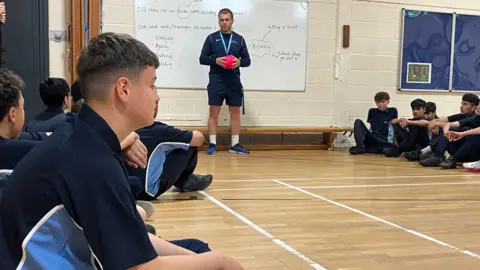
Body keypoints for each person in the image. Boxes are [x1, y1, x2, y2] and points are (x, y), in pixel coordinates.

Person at [0, 33, 243, 269]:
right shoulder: (91, 161)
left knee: (197, 250)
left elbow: (132, 243)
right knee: (210, 260)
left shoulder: (82, 138)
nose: (157, 95)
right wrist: (221, 262)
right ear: (123, 89)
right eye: (152, 85)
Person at [128, 99, 213, 200]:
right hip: (147, 192)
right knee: (187, 145)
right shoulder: (158, 130)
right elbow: (199, 139)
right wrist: (181, 133)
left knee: (167, 146)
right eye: (156, 102)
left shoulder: (122, 126)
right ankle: (185, 180)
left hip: (125, 187)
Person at [199, 8, 251, 155]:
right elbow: (202, 59)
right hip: (216, 80)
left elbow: (247, 60)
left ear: (232, 21)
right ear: (218, 21)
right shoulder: (211, 38)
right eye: (221, 20)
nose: (224, 23)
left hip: (233, 80)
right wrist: (214, 60)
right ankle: (212, 144)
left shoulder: (239, 39)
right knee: (213, 112)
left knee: (235, 112)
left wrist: (239, 62)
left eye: (227, 20)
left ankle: (234, 144)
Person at [419, 93, 479, 167]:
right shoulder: (464, 115)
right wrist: (435, 121)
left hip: (473, 152)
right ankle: (436, 154)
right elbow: (446, 120)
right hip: (462, 150)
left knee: (466, 133)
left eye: (465, 104)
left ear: (473, 107)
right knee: (446, 128)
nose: (461, 106)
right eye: (462, 103)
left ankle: (438, 155)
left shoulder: (474, 118)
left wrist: (438, 124)